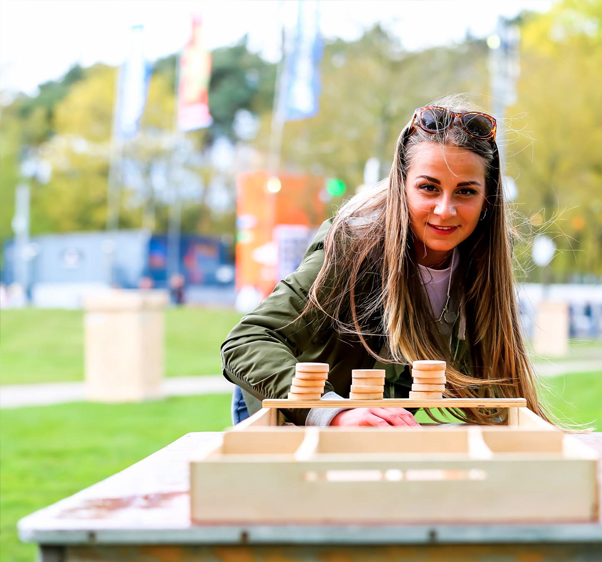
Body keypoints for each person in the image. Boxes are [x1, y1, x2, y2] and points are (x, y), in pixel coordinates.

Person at [222, 97, 549, 428]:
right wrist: (334, 413)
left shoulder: (482, 261)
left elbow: (496, 395)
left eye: (465, 192)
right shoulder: (351, 244)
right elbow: (247, 340)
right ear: (401, 186)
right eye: (429, 188)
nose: (445, 210)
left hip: (377, 428)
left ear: (486, 199)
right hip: (285, 413)